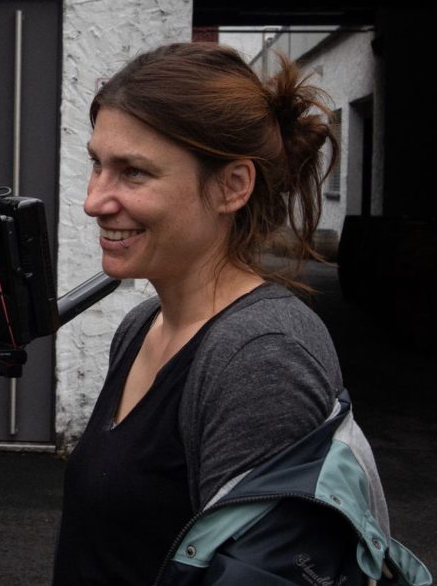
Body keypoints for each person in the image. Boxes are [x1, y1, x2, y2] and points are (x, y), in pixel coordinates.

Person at [52, 43, 429, 584]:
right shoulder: (144, 324)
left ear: (233, 186)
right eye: (97, 164)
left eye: (133, 172)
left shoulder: (261, 356)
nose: (94, 200)